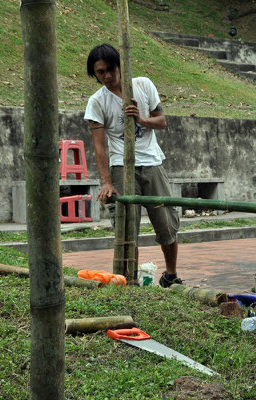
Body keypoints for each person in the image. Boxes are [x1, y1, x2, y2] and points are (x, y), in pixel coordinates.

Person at [84, 43, 182, 288]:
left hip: (152, 162)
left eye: (110, 69)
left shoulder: (143, 85)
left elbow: (162, 122)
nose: (107, 76)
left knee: (166, 223)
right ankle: (131, 280)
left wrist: (141, 119)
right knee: (127, 228)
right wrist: (106, 181)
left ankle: (171, 274)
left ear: (120, 66)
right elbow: (99, 147)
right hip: (121, 167)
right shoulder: (97, 102)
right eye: (100, 72)